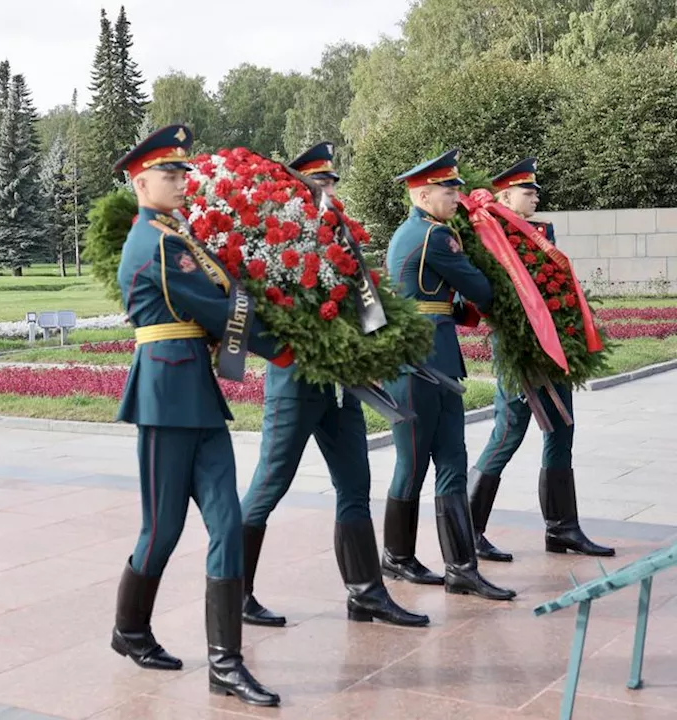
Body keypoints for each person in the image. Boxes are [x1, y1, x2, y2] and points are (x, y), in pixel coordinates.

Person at [109, 124, 291, 708]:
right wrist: (287, 343)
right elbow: (212, 305)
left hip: (194, 391)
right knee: (160, 530)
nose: (181, 181)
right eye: (169, 173)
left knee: (226, 524)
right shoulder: (154, 243)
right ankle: (130, 630)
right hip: (165, 396)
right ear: (140, 183)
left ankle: (225, 665)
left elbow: (222, 295)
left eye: (183, 172)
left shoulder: (175, 234)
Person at [239, 142, 428, 629]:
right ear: (295, 187)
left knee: (355, 485)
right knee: (269, 485)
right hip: (296, 382)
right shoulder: (276, 242)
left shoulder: (338, 237)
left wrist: (374, 349)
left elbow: (362, 304)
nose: (327, 189)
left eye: (330, 181)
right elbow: (262, 314)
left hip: (343, 383)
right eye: (318, 181)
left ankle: (365, 592)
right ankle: (234, 591)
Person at [380, 149, 516, 601]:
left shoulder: (419, 232)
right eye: (448, 189)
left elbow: (441, 298)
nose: (456, 195)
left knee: (449, 462)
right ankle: (397, 557)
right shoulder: (435, 237)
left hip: (431, 360)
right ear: (422, 193)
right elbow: (480, 289)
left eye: (457, 187)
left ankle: (460, 568)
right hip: (419, 364)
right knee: (417, 463)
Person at [468, 158, 614, 561]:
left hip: (552, 345)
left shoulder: (541, 232)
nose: (535, 196)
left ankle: (562, 529)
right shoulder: (489, 233)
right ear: (504, 195)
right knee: (509, 431)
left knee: (562, 429)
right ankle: (468, 530)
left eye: (535, 191)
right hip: (519, 347)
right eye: (526, 191)